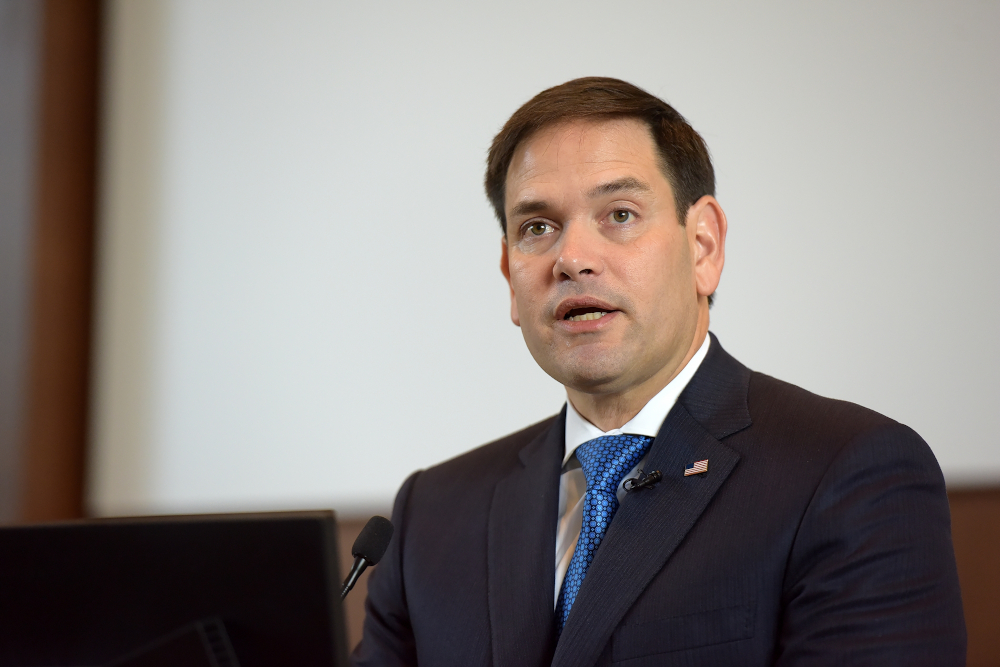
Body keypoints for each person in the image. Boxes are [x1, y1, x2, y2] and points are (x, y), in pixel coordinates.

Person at [351, 77, 966, 666]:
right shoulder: (431, 515)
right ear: (510, 278)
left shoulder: (849, 474)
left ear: (703, 247)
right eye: (537, 228)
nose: (572, 258)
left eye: (619, 214)